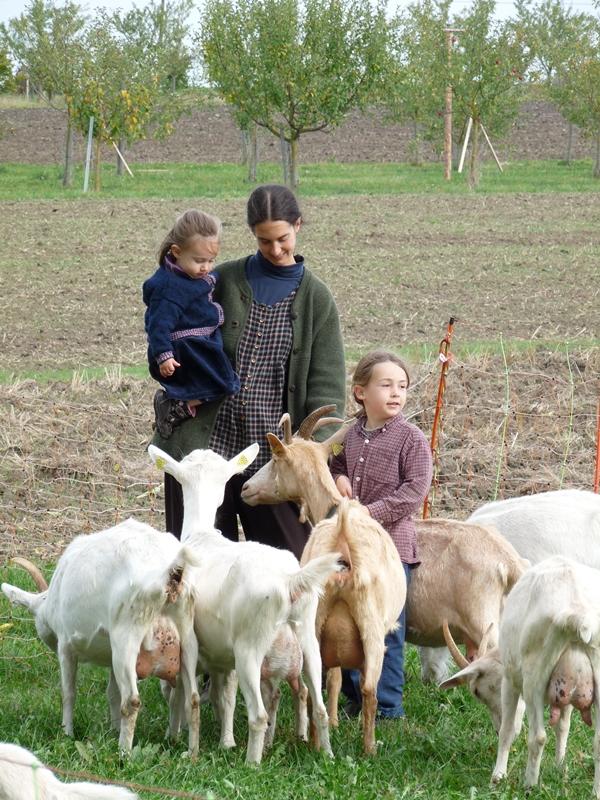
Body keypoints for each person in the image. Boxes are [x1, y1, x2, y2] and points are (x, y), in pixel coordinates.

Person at [152, 185, 346, 559]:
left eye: (282, 239)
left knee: (290, 570)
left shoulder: (316, 301)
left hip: (274, 465)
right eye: (264, 241)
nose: (275, 250)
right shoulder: (217, 280)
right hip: (204, 456)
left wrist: (308, 463)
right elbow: (166, 322)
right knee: (196, 570)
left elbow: (327, 393)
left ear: (298, 226)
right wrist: (172, 379)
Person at [329, 350, 433, 719]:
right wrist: (339, 476)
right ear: (360, 392)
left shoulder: (411, 439)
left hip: (391, 551)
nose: (396, 393)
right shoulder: (352, 434)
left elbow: (414, 491)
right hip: (351, 550)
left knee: (385, 629)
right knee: (349, 627)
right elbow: (335, 460)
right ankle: (356, 698)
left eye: (402, 386)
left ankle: (387, 708)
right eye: (385, 384)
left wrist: (367, 514)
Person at [143, 209, 240, 438]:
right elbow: (158, 325)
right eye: (199, 261)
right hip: (186, 350)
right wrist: (164, 355)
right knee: (225, 384)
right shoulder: (169, 288)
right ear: (177, 252)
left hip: (202, 342)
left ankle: (183, 403)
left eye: (211, 260)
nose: (206, 267)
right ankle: (174, 406)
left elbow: (207, 281)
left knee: (225, 382)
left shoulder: (190, 275)